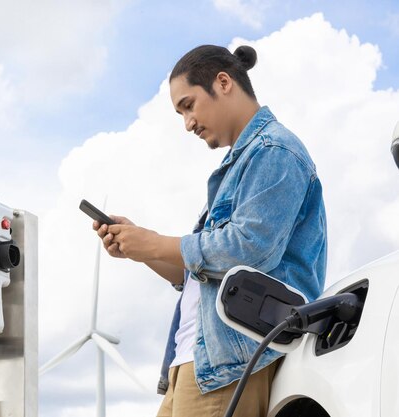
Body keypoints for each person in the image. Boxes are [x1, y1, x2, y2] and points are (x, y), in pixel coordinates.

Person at [93, 44, 327, 417]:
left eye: (188, 105)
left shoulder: (275, 151)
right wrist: (142, 248)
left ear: (223, 83)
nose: (187, 123)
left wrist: (156, 242)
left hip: (230, 364)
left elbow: (250, 249)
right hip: (193, 363)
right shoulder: (239, 165)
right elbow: (201, 273)